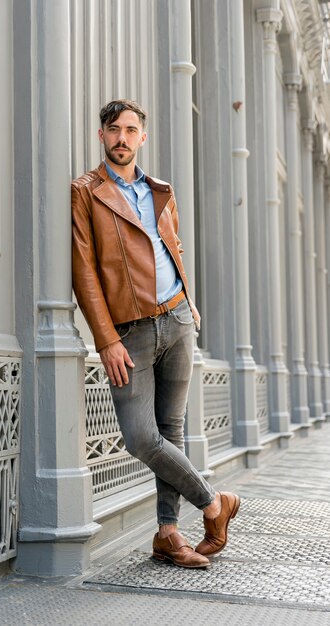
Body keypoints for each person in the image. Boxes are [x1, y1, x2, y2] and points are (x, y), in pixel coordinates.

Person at [71, 99, 239, 569]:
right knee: (142, 437)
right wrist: (105, 339)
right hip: (130, 331)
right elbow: (84, 271)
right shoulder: (86, 192)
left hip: (178, 319)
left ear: (142, 137)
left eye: (130, 130)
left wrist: (189, 299)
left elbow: (173, 246)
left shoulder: (161, 190)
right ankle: (213, 503)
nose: (122, 138)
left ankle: (168, 534)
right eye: (113, 130)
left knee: (171, 430)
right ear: (102, 136)